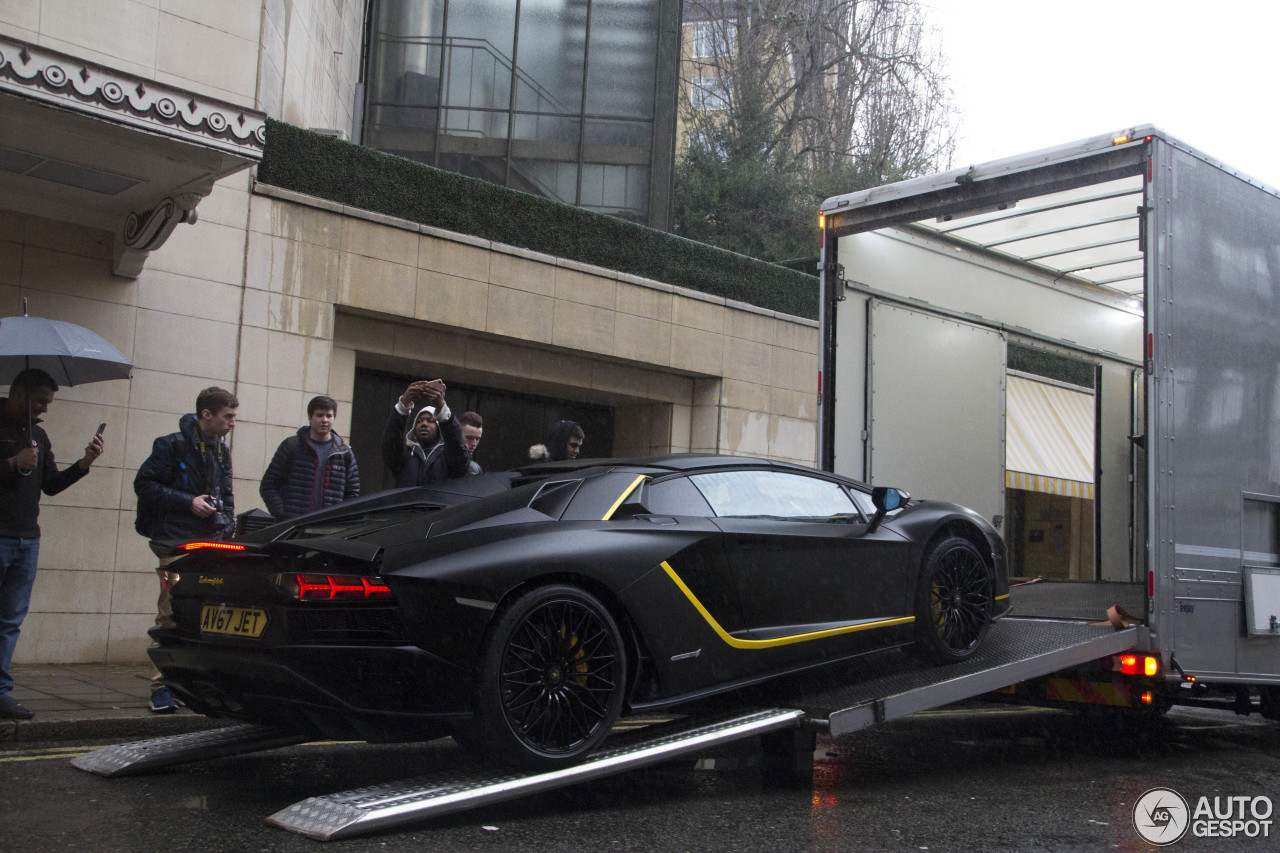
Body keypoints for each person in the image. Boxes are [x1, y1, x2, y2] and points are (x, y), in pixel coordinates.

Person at [0, 369, 103, 720]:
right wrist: (11, 464)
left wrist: (84, 463)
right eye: (41, 400)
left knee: (10, 620)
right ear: (18, 394)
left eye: (49, 402)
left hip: (27, 540)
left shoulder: (38, 436)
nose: (45, 408)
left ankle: (0, 693)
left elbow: (52, 485)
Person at [134, 386, 237, 713]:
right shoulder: (171, 445)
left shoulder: (221, 450)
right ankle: (160, 688)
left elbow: (228, 496)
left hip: (210, 543)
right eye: (228, 416)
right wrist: (187, 502)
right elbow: (144, 484)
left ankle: (188, 685)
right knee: (172, 614)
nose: (232, 423)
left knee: (206, 618)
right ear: (206, 414)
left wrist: (227, 528)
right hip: (175, 542)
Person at [259, 395, 360, 519]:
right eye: (319, 415)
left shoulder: (344, 453)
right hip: (294, 526)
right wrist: (282, 514)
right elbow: (268, 485)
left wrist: (339, 520)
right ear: (309, 417)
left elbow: (352, 495)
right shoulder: (292, 446)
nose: (325, 420)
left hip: (328, 528)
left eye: (329, 416)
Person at [380, 379, 469, 487]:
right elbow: (390, 444)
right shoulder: (405, 454)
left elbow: (459, 455)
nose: (424, 424)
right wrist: (403, 405)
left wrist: (442, 410)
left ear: (439, 428)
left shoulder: (447, 456)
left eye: (430, 421)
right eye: (419, 421)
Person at [459, 410, 484, 475]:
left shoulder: (475, 468)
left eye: (477, 439)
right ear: (458, 435)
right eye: (469, 438)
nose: (474, 444)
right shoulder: (442, 459)